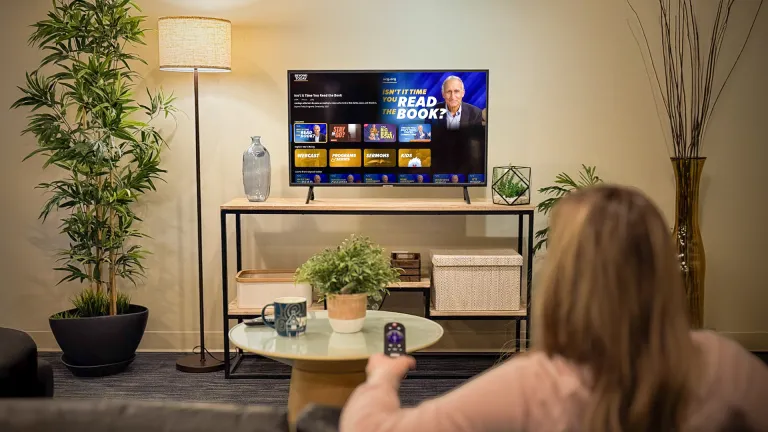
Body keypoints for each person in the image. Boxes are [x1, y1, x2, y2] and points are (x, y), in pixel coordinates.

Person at [340, 184, 768, 432]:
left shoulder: (534, 384)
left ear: (567, 275)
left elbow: (369, 429)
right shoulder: (727, 362)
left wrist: (381, 376)